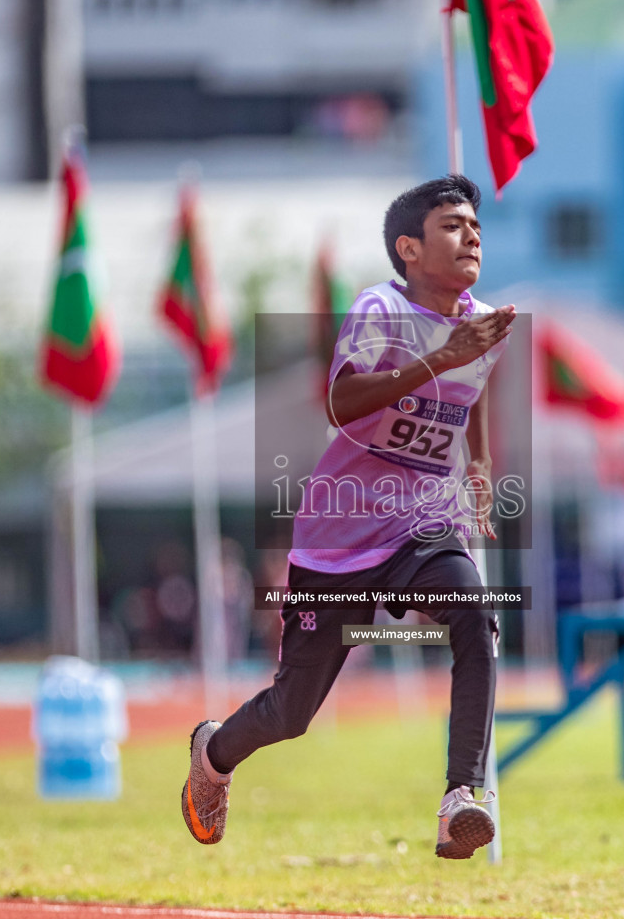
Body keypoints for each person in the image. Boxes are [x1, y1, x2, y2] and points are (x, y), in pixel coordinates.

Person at [182, 175, 515, 860]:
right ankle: (211, 756)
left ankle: (461, 800)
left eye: (475, 224)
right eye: (452, 225)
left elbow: (474, 391)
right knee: (292, 711)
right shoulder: (378, 310)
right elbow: (341, 402)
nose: (472, 234)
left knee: (475, 615)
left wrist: (477, 467)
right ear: (409, 250)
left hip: (422, 525)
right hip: (337, 540)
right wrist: (441, 357)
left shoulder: (483, 324)